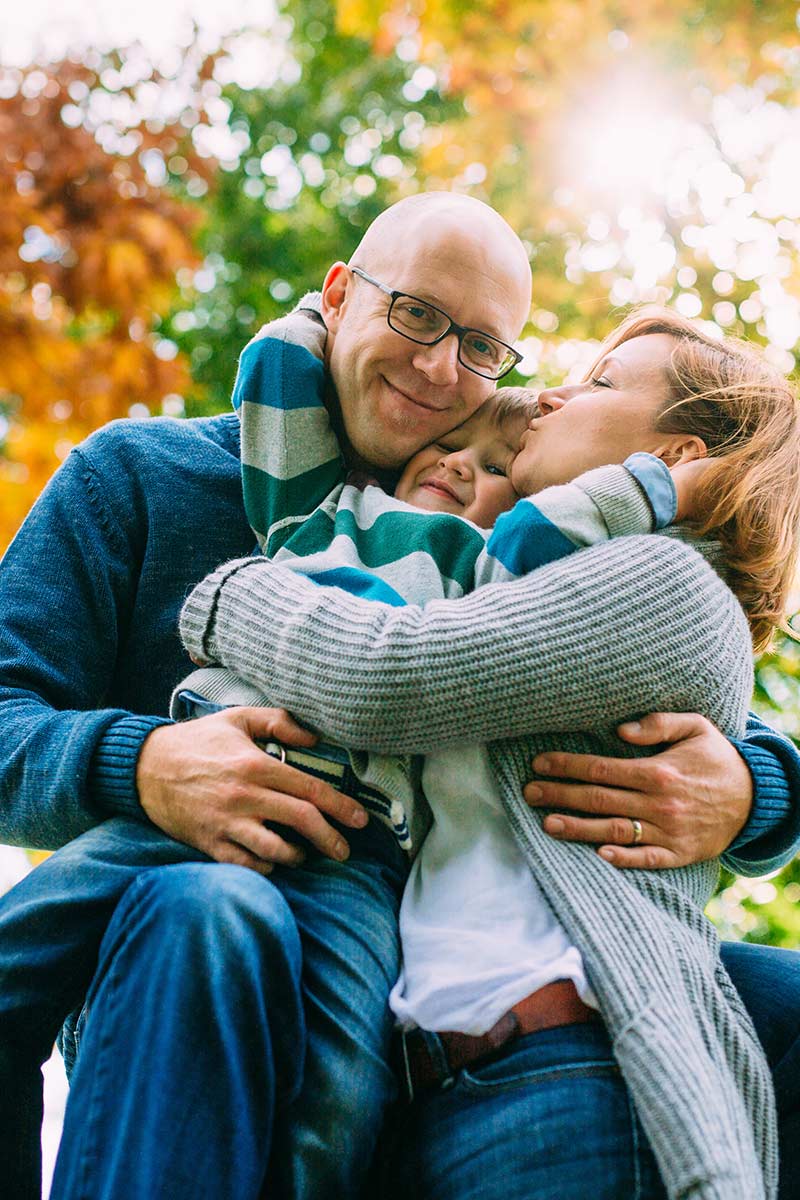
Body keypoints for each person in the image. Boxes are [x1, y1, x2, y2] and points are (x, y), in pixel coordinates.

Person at [0, 193, 797, 1198]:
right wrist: (145, 764)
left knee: (768, 998)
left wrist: (754, 787)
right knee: (203, 908)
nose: (437, 369)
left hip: (443, 1011)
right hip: (187, 978)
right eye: (414, 314)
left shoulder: (505, 521)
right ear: (337, 297)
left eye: (480, 348)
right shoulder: (146, 477)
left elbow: (653, 659)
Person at [177, 306, 800, 1197]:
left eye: (598, 385)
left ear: (671, 461)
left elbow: (393, 678)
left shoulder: (666, 580)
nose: (547, 397)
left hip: (564, 1082)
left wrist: (229, 596)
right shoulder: (527, 579)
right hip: (447, 1093)